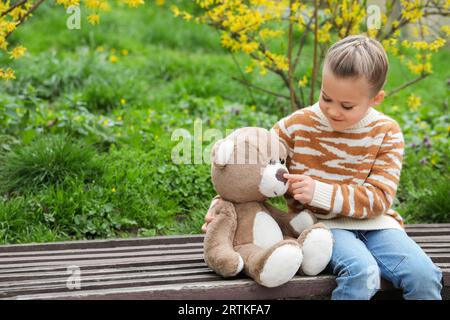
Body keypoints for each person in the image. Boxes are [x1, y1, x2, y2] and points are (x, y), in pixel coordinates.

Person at [202, 35, 443, 300]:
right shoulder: (295, 127)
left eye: (347, 105)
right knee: (361, 272)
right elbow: (254, 167)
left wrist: (321, 192)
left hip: (379, 225)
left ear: (376, 99)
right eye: (326, 98)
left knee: (425, 276)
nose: (333, 111)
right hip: (320, 228)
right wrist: (223, 205)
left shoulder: (386, 133)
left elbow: (380, 197)